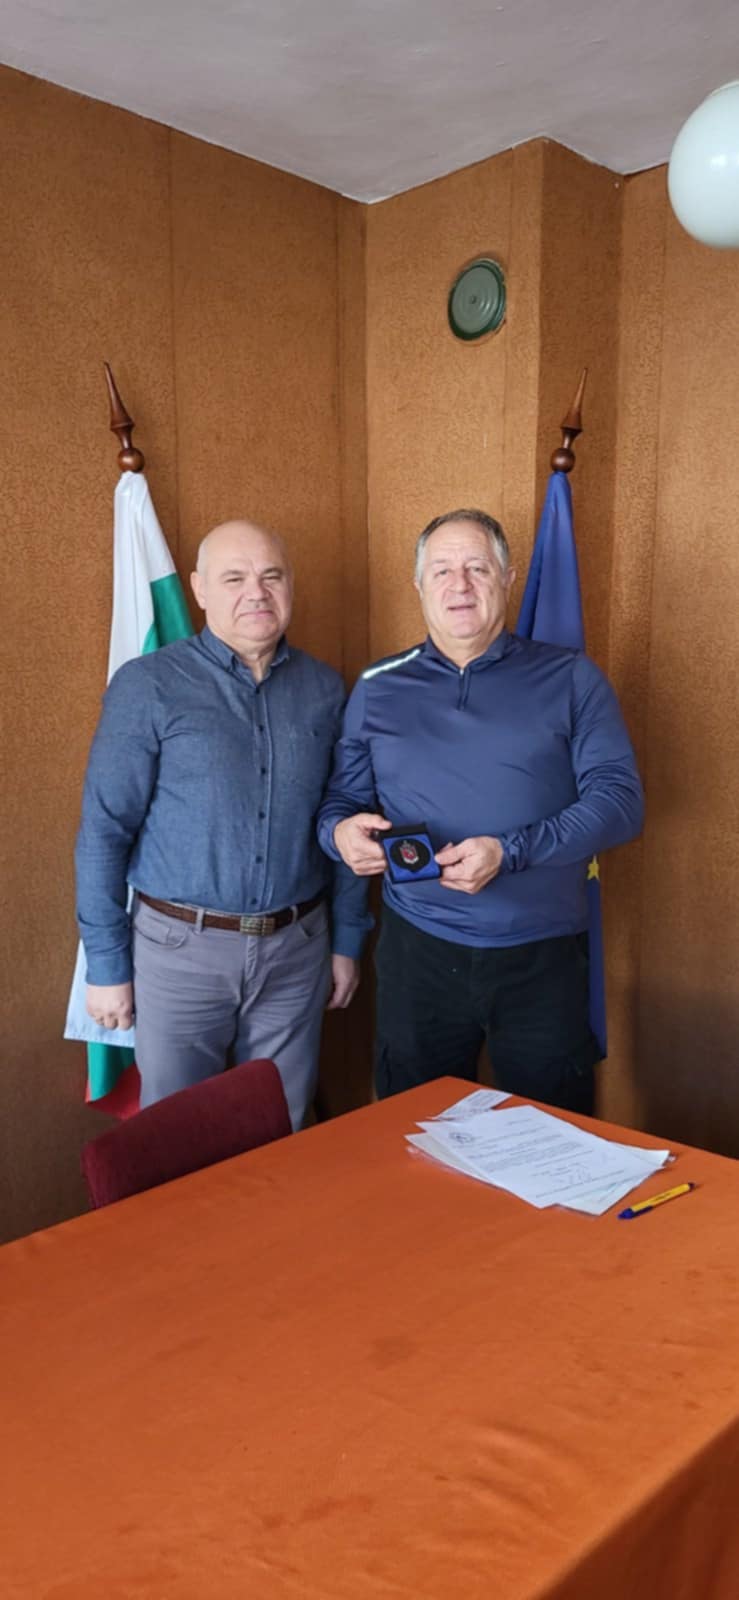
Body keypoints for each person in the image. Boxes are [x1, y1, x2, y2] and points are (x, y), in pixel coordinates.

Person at [317, 508, 644, 1115]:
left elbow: (621, 803)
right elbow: (341, 802)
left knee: (551, 1138)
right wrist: (339, 834)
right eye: (442, 570)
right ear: (419, 585)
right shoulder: (378, 686)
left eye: (478, 568)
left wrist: (509, 851)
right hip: (418, 954)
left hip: (542, 956)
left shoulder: (572, 678)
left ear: (508, 578)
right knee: (413, 1132)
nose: (459, 584)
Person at [76, 519, 370, 1126]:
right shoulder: (148, 686)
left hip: (297, 953)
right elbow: (104, 829)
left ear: (291, 586)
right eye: (234, 578)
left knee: (283, 1129)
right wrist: (106, 966)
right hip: (179, 955)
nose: (256, 592)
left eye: (271, 576)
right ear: (199, 590)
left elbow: (343, 821)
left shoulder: (325, 689)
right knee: (176, 1136)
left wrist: (346, 941)